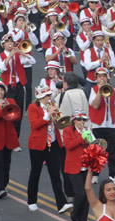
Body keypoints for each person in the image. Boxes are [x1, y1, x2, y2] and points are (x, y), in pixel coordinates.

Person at [27, 85, 72, 213]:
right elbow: (35, 125)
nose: (49, 98)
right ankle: (32, 200)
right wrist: (48, 115)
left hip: (53, 144)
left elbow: (60, 123)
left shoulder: (52, 105)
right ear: (40, 97)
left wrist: (57, 114)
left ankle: (61, 203)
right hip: (37, 146)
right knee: (35, 173)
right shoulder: (32, 108)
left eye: (49, 95)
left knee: (55, 175)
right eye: (47, 96)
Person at [89, 67, 115, 184]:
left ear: (108, 77)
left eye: (104, 76)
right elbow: (95, 105)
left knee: (112, 152)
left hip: (111, 125)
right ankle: (94, 174)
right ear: (96, 78)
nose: (102, 78)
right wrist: (100, 90)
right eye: (99, 76)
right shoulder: (93, 90)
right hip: (97, 125)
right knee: (97, 152)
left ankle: (114, 175)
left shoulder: (114, 90)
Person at [63, 110, 90, 221]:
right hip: (73, 167)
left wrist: (89, 138)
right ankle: (74, 219)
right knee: (80, 193)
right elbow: (69, 146)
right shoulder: (67, 130)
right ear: (74, 121)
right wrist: (82, 137)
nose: (82, 122)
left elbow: (93, 146)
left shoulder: (87, 131)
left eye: (84, 120)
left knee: (87, 195)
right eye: (79, 119)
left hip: (86, 167)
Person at [0, 80, 19, 199]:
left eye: (1, 90)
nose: (0, 92)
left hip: (8, 139)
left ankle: (3, 185)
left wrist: (7, 107)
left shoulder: (11, 101)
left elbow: (16, 117)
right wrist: (0, 108)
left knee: (6, 163)